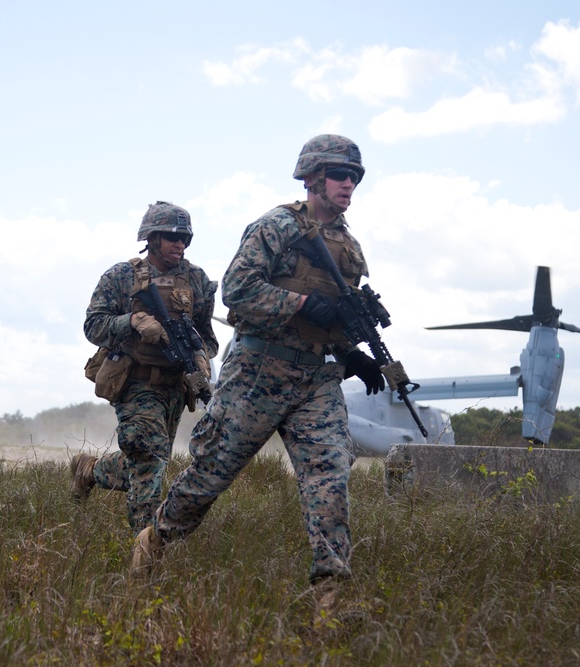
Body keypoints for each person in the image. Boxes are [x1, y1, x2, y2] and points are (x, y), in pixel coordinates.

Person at [134, 135, 386, 593]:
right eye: (339, 174)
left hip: (316, 380)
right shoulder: (277, 227)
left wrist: (353, 355)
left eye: (355, 176)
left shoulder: (349, 246)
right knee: (210, 476)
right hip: (258, 373)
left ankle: (330, 592)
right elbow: (238, 291)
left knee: (330, 479)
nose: (349, 183)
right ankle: (156, 539)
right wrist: (303, 303)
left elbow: (336, 318)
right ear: (312, 177)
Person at [74, 202, 219, 535]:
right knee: (150, 460)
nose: (179, 244)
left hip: (175, 386)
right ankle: (147, 549)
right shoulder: (121, 276)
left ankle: (89, 471)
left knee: (147, 466)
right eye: (171, 237)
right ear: (151, 238)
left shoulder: (196, 280)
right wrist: (133, 322)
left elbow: (206, 337)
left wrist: (201, 358)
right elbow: (93, 325)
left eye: (185, 238)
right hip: (135, 383)